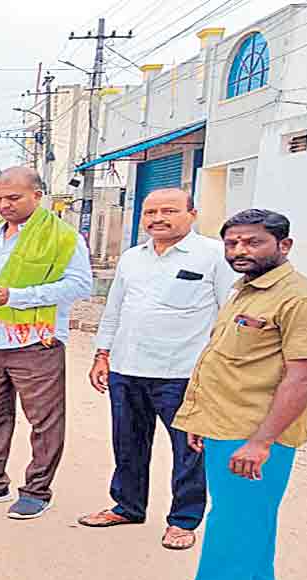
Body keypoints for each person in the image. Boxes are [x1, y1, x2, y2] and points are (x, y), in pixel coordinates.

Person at [152, 209, 307, 580]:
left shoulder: (303, 299)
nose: (240, 250)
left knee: (233, 514)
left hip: (254, 429)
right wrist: (202, 419)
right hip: (227, 422)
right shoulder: (247, 291)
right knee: (254, 510)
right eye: (233, 242)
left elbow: (304, 377)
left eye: (253, 242)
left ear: (284, 245)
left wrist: (261, 441)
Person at [79, 189, 237, 550]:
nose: (158, 218)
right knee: (128, 442)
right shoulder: (133, 258)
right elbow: (115, 309)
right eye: (151, 211)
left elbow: (228, 315)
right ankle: (127, 506)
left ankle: (183, 519)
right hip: (127, 368)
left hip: (184, 373)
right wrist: (102, 354)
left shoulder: (213, 256)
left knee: (188, 449)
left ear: (192, 214)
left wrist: (219, 370)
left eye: (169, 210)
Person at [0, 167, 92, 520]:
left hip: (35, 341)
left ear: (37, 196)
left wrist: (16, 297)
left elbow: (78, 286)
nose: (4, 205)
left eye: (13, 198)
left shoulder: (63, 237)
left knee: (43, 420)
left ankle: (37, 491)